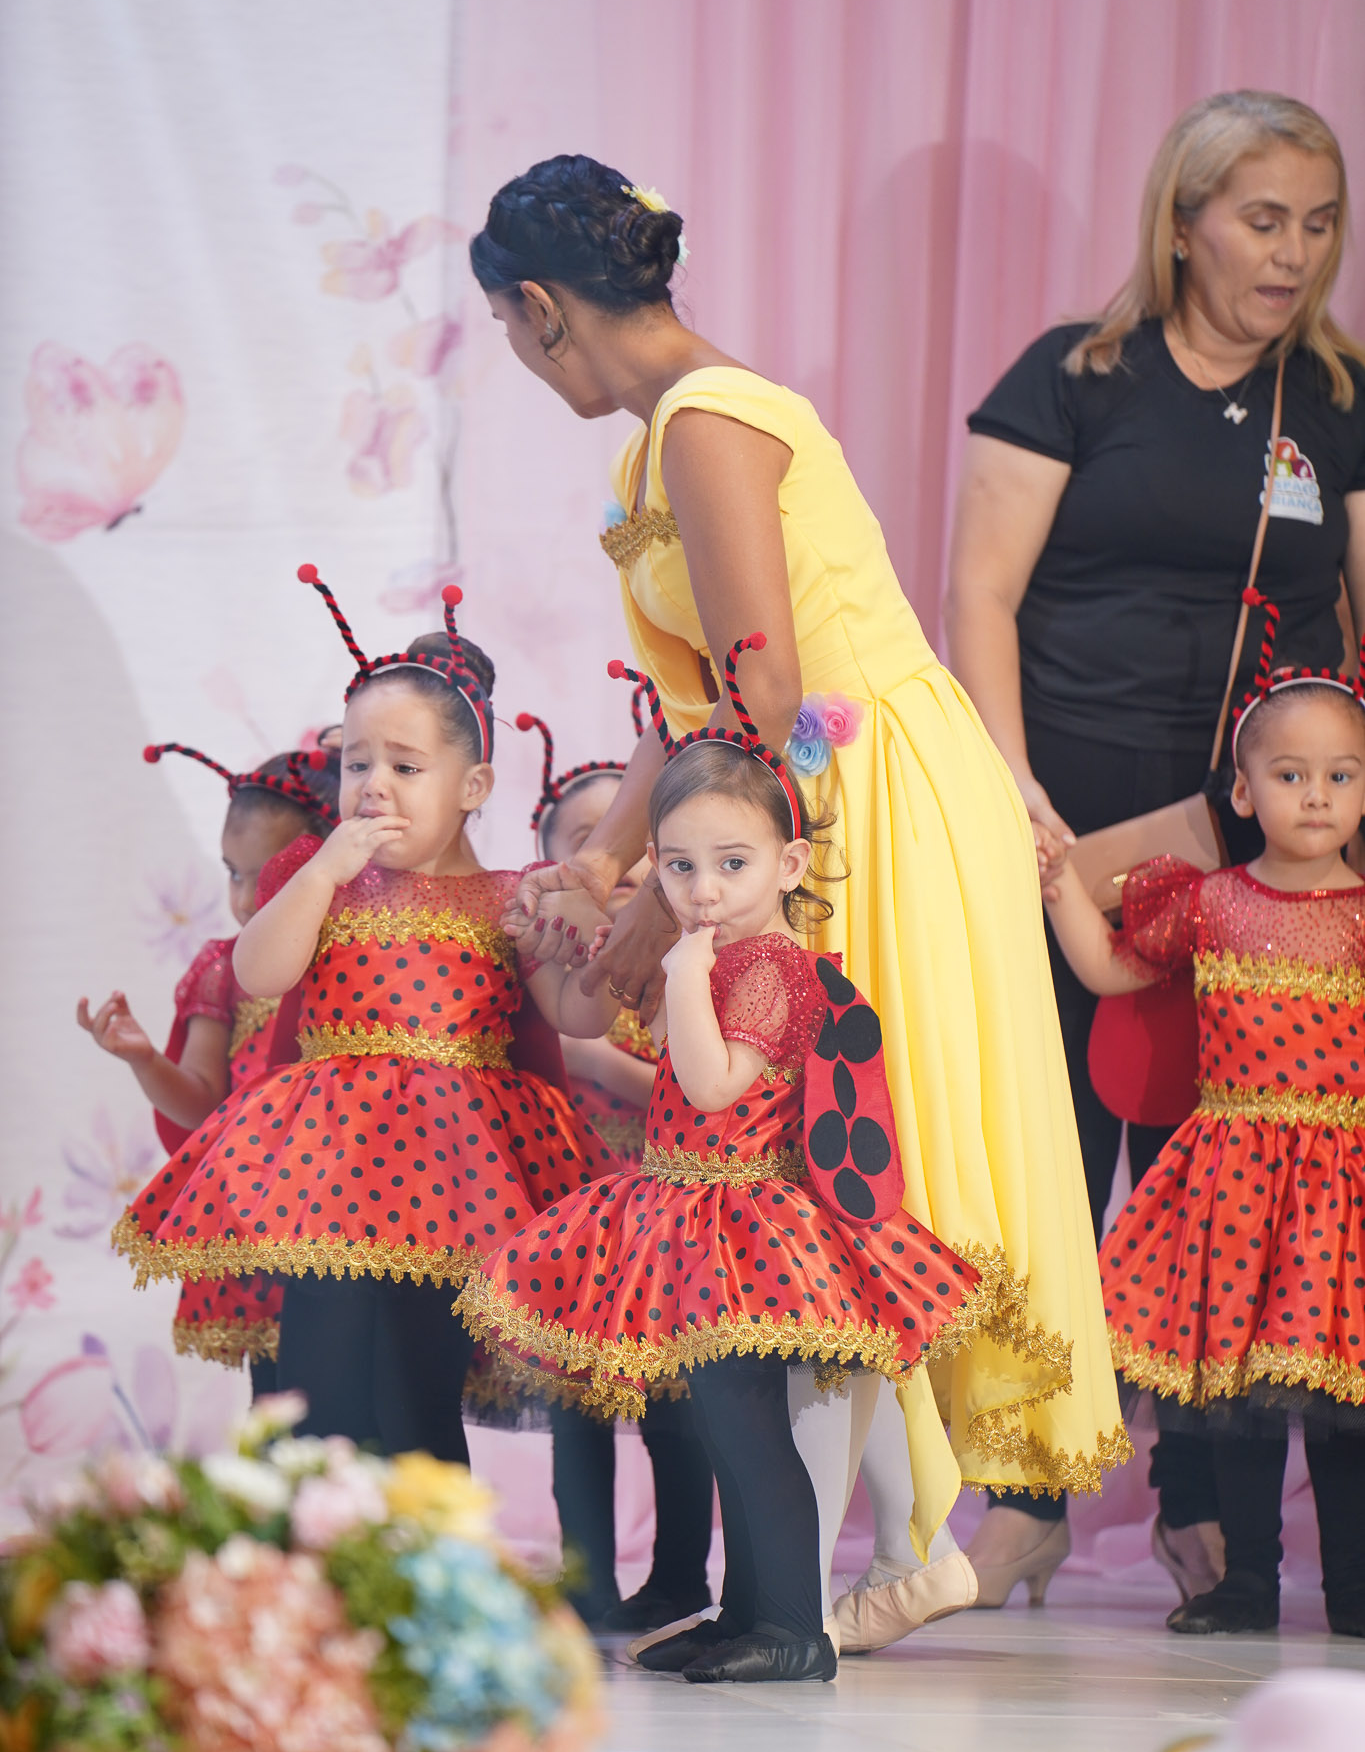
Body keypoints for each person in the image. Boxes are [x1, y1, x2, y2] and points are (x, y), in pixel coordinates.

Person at [471, 155, 1127, 1644]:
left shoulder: (710, 421)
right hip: (791, 783)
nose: (518, 355)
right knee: (796, 1179)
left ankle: (876, 1559)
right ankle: (849, 1566)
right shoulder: (652, 450)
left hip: (860, 785)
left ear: (542, 307)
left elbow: (765, 695)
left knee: (843, 1170)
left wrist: (666, 911)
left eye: (510, 330)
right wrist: (605, 858)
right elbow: (694, 701)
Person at [945, 88, 1365, 1605]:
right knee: (1057, 1151)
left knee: (1228, 1172)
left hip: (1265, 854)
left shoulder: (1335, 399)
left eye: (1319, 224)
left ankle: (1203, 1502)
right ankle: (1025, 1491)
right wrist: (1014, 788)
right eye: (1262, 220)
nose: (1293, 253)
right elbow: (980, 595)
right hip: (1073, 819)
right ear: (1184, 224)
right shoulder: (1074, 377)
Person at [463, 644, 1004, 1685]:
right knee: (723, 1431)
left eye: (731, 864)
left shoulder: (767, 969)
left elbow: (712, 1085)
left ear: (789, 866)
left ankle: (793, 1626)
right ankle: (745, 1609)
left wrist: (679, 969)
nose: (703, 890)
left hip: (747, 1220)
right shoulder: (720, 958)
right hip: (684, 1209)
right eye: (678, 867)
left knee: (751, 1436)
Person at [113, 572, 614, 1461]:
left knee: (418, 1396)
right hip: (327, 1162)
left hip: (450, 1173)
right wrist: (321, 872)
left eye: (405, 767)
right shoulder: (319, 879)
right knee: (320, 1382)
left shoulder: (510, 897)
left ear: (473, 784)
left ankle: (420, 1539)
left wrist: (595, 947)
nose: (374, 785)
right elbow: (259, 968)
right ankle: (320, 1531)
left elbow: (575, 1018)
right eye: (356, 764)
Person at [1043, 618, 1365, 1638]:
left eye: (1341, 775)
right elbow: (1107, 970)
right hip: (1233, 1179)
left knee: (1341, 1401)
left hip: (1340, 1187)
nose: (1315, 796)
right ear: (1243, 792)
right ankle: (1246, 1582)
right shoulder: (1210, 902)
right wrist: (1055, 880)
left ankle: (1353, 1589)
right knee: (1237, 1395)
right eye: (1290, 775)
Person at [519, 706, 716, 1635]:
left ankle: (679, 1574)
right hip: (575, 1207)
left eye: (643, 845)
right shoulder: (551, 957)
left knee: (677, 1396)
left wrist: (599, 1062)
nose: (625, 864)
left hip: (673, 1209)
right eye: (594, 842)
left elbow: (694, 1077)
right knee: (574, 1398)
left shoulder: (692, 954)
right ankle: (585, 1574)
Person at [79, 742, 338, 1384]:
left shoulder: (359, 961)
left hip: (350, 1208)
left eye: (268, 874)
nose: (245, 899)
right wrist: (144, 1060)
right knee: (280, 1399)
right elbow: (202, 1107)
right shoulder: (225, 969)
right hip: (258, 1217)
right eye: (232, 873)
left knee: (369, 1391)